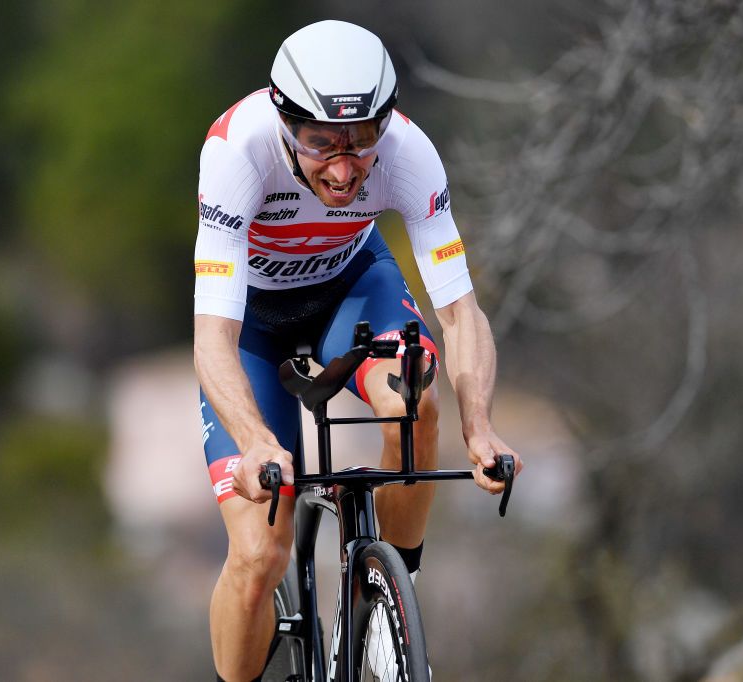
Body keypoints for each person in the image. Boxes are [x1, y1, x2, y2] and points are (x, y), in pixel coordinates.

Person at [193, 19, 522, 681]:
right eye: (320, 143)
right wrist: (256, 440)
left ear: (385, 122)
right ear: (286, 124)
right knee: (259, 554)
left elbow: (460, 311)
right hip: (254, 324)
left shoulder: (409, 152)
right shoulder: (236, 152)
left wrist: (480, 426)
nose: (344, 170)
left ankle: (387, 606)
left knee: (416, 394)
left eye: (361, 140)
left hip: (350, 288)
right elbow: (213, 340)